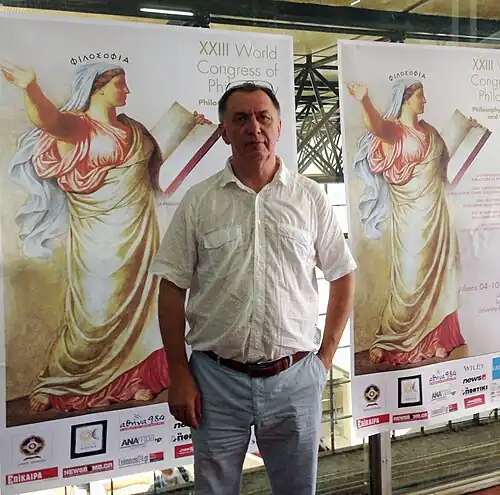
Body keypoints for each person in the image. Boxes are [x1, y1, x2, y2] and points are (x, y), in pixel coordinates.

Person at [150, 82, 356, 495]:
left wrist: (324, 360)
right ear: (224, 131)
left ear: (279, 127)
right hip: (215, 383)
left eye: (263, 117)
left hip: (295, 379)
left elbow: (343, 274)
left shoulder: (309, 198)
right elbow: (171, 287)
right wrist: (178, 372)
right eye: (240, 118)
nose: (253, 128)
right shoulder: (199, 202)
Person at [1, 61, 207, 412]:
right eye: (120, 85)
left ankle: (138, 379)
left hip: (141, 232)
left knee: (144, 312)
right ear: (97, 88)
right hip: (97, 235)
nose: (127, 91)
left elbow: (154, 164)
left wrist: (189, 126)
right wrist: (31, 87)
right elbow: (48, 121)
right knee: (95, 312)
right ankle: (65, 383)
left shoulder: (133, 128)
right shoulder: (77, 126)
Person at [348, 79, 466, 366]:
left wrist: (465, 131)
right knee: (411, 280)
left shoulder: (431, 132)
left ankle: (438, 340)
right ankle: (395, 340)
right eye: (420, 96)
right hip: (411, 219)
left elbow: (443, 166)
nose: (425, 101)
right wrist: (364, 100)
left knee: (440, 278)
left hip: (438, 216)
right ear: (406, 99)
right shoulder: (395, 131)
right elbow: (375, 127)